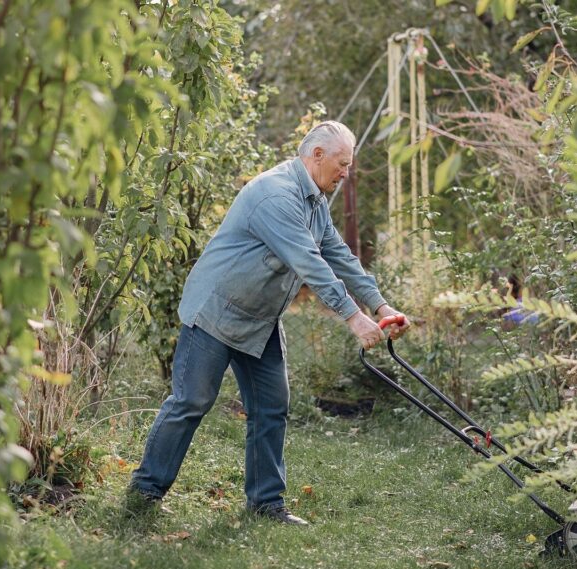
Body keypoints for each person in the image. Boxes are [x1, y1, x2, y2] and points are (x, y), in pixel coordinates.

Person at [126, 121, 411, 526]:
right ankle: (144, 491)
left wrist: (381, 307)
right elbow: (309, 263)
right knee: (191, 401)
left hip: (260, 319)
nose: (346, 172)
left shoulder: (315, 201)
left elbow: (338, 255)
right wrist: (353, 317)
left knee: (271, 407)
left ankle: (266, 503)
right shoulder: (276, 195)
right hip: (217, 310)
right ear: (317, 155)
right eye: (343, 163)